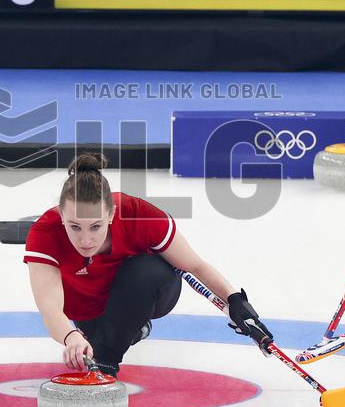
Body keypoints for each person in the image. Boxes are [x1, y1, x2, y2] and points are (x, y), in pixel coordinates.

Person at [24, 153, 273, 377]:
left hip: (145, 290)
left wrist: (236, 302)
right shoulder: (45, 232)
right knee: (103, 335)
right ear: (62, 216)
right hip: (87, 307)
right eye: (75, 227)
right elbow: (50, 307)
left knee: (149, 271)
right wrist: (71, 337)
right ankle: (130, 330)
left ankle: (106, 362)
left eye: (96, 226)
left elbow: (195, 266)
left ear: (111, 214)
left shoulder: (138, 214)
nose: (86, 240)